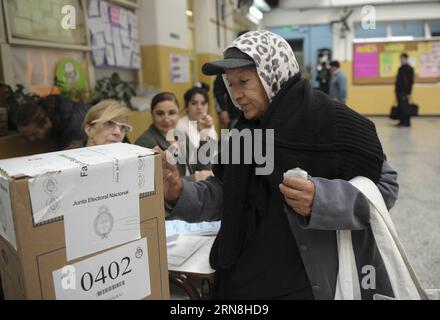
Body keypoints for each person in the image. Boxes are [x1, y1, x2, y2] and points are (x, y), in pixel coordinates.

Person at [158, 30, 399, 300]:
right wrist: (179, 193)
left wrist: (321, 200)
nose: (235, 94)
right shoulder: (246, 131)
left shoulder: (333, 122)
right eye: (230, 83)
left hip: (305, 282)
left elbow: (385, 187)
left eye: (244, 81)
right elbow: (225, 191)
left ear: (273, 74)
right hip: (244, 277)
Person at [135, 92, 212, 182]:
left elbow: (202, 168)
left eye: (172, 113)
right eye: (160, 113)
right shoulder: (144, 143)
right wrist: (193, 178)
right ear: (152, 115)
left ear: (178, 114)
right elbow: (155, 184)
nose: (166, 119)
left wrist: (203, 135)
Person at [14, 94, 91, 150]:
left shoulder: (73, 125)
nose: (31, 139)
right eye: (26, 136)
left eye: (34, 134)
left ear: (47, 123)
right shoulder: (59, 117)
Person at [395, 53, 414, 127]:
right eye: (400, 59)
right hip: (398, 91)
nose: (401, 60)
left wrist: (409, 93)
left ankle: (407, 122)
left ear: (406, 59)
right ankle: (401, 121)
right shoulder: (400, 68)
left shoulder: (409, 69)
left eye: (402, 59)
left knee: (405, 107)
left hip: (405, 92)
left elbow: (410, 82)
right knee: (400, 107)